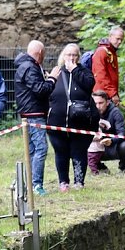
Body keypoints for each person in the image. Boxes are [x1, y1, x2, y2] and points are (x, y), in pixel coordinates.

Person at [47, 43, 99, 192]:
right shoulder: (57, 72)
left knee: (79, 151)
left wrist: (74, 70)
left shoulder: (85, 72)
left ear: (78, 57)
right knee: (61, 152)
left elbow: (90, 85)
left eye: (74, 55)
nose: (71, 58)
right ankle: (63, 182)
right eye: (68, 55)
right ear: (63, 56)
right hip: (57, 122)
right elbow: (47, 90)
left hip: (80, 122)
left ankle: (79, 181)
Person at [14, 40, 60, 196]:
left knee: (32, 151)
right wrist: (53, 78)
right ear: (40, 53)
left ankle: (27, 183)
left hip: (30, 114)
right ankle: (36, 184)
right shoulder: (30, 67)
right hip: (33, 115)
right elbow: (40, 90)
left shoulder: (28, 66)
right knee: (40, 148)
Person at [91, 90, 125, 174]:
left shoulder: (115, 112)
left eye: (101, 103)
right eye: (95, 103)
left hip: (113, 146)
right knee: (80, 145)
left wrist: (111, 140)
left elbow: (122, 133)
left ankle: (122, 168)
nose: (98, 106)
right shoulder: (90, 112)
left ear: (108, 102)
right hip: (96, 146)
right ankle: (100, 167)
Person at [92, 26, 124, 105]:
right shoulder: (102, 52)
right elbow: (101, 76)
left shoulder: (112, 52)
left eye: (121, 40)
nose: (119, 42)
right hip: (101, 96)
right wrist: (113, 93)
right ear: (110, 36)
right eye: (117, 39)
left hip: (108, 95)